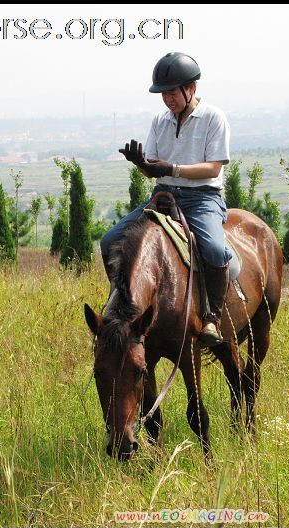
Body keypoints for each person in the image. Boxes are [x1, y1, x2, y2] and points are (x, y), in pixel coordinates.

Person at [100, 52, 232, 347]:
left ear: (191, 89)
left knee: (214, 249)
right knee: (109, 241)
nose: (168, 99)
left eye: (172, 92)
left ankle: (212, 315)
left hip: (202, 198)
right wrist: (142, 165)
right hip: (163, 196)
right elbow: (153, 169)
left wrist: (171, 168)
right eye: (163, 94)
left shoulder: (213, 118)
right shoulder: (160, 121)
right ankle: (121, 303)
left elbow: (213, 168)